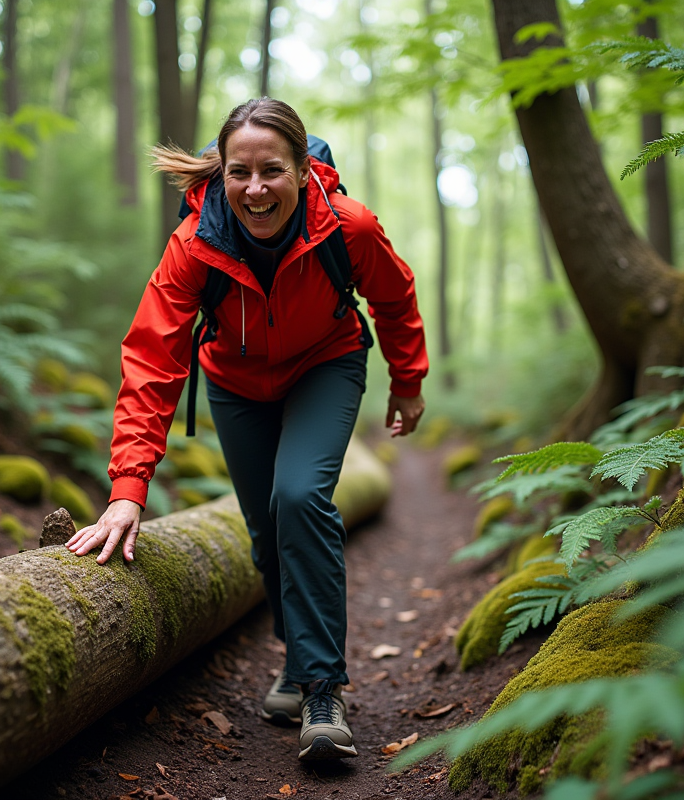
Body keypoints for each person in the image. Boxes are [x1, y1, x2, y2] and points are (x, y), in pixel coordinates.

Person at [66, 98, 427, 762]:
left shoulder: (349, 227)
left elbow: (394, 294)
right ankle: (297, 663)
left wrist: (408, 379)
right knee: (264, 526)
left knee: (298, 497)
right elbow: (151, 361)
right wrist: (127, 489)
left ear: (301, 171)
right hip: (235, 383)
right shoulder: (193, 244)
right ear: (220, 175)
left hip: (326, 364)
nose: (256, 189)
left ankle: (323, 689)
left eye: (271, 171)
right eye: (240, 173)